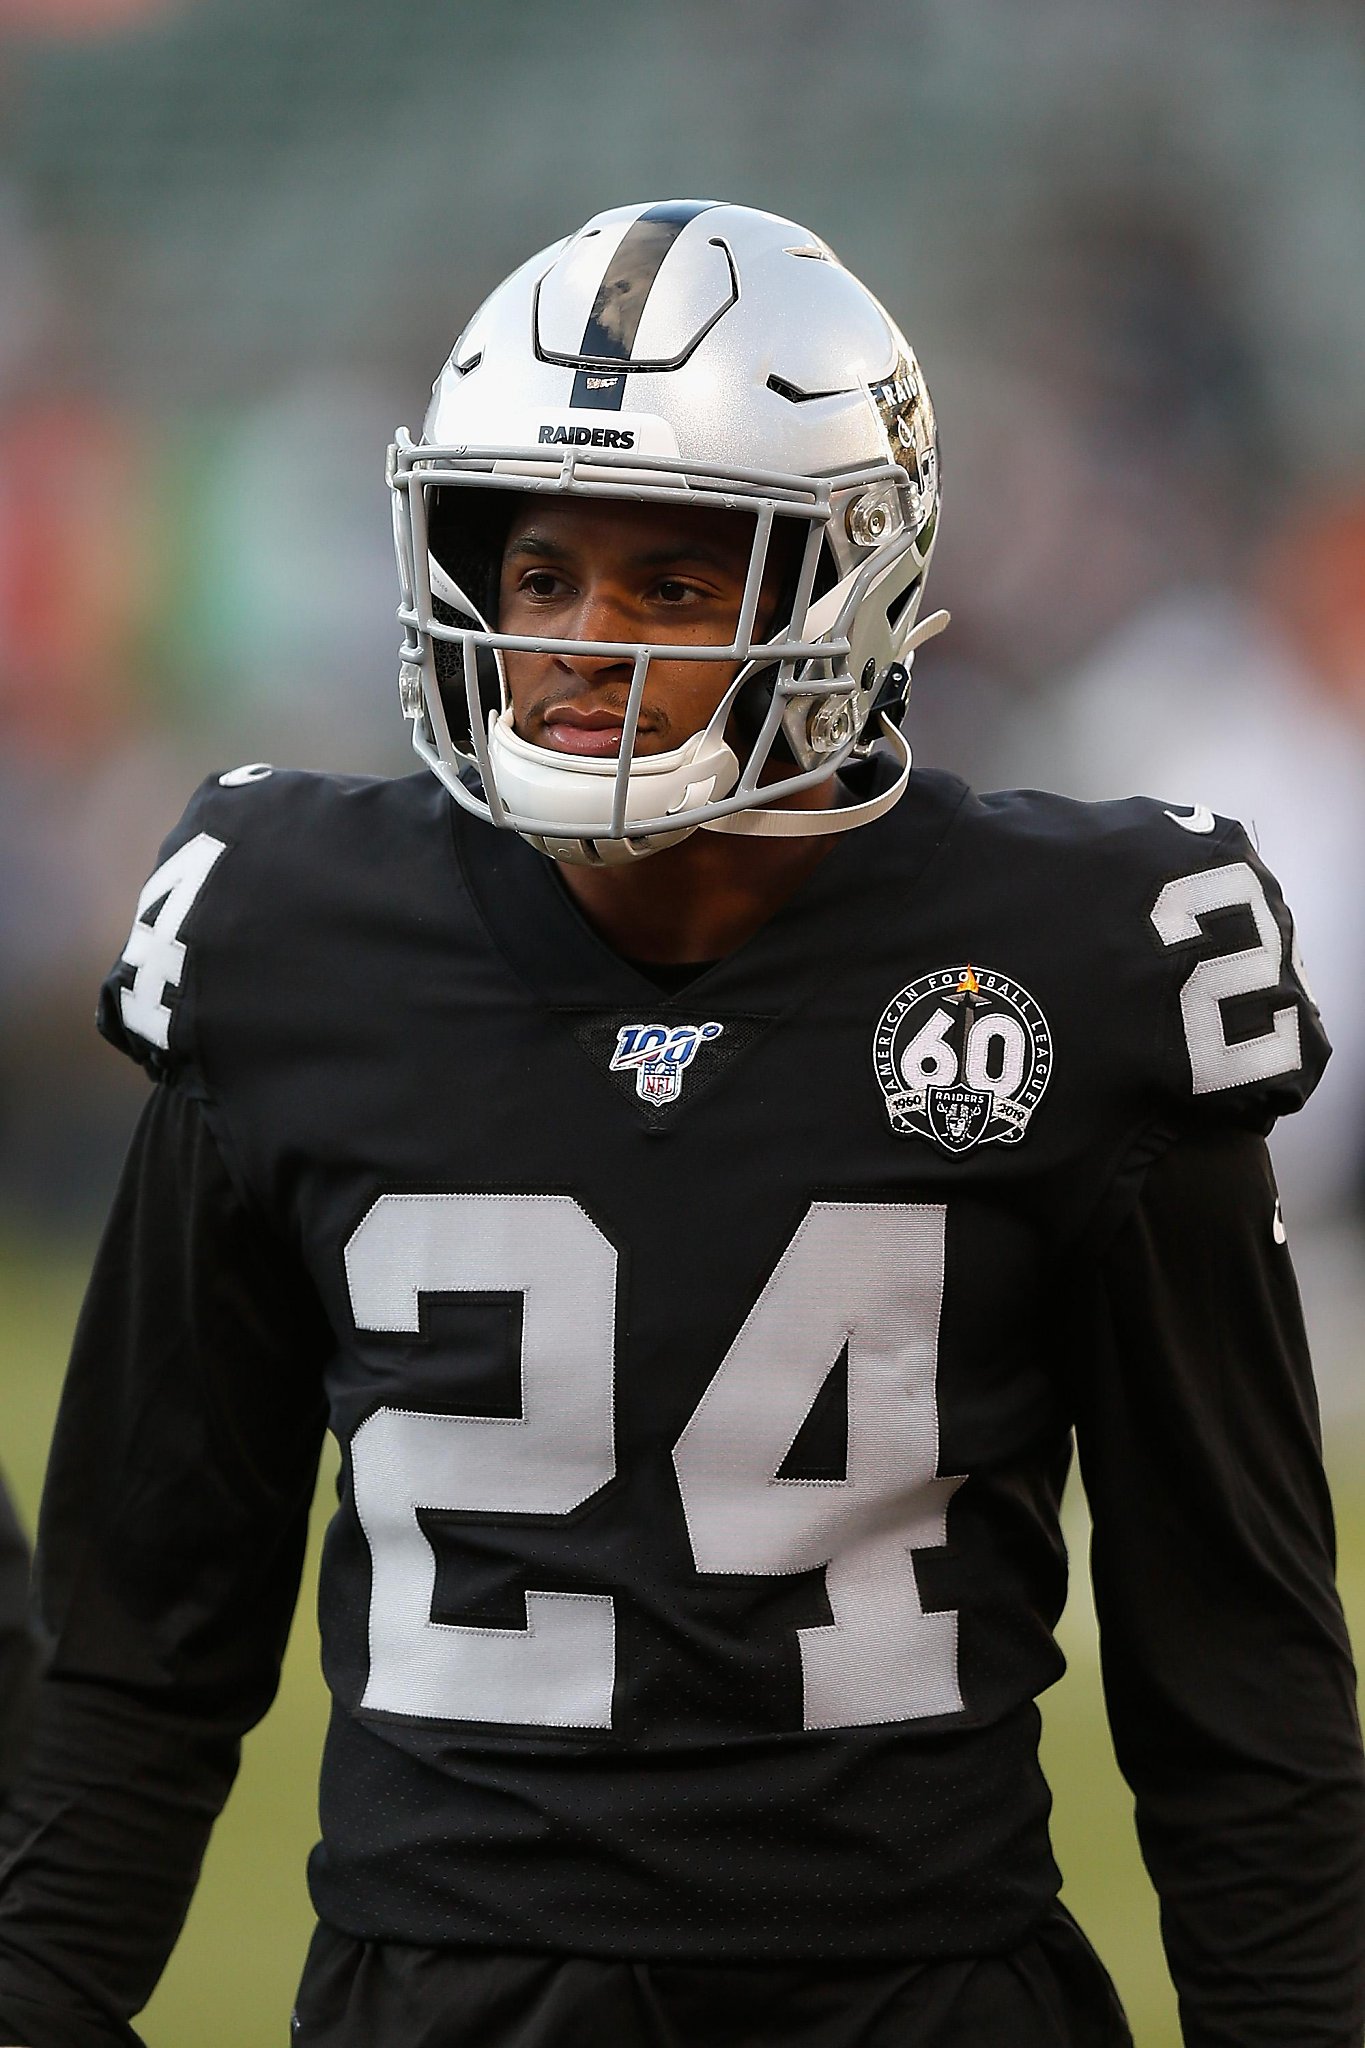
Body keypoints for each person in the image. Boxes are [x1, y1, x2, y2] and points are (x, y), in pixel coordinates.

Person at [0, 199, 1360, 2048]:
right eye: (541, 570)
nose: (582, 645)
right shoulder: (288, 933)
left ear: (842, 586)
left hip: (919, 1999)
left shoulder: (1084, 966)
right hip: (435, 2004)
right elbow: (135, 1661)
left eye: (671, 581)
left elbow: (1244, 1690)